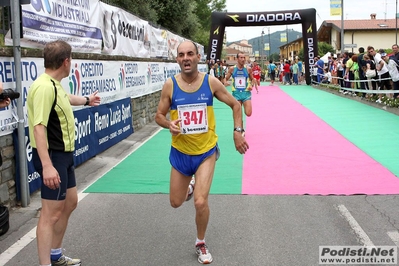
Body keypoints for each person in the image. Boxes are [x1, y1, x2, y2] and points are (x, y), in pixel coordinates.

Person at [154, 40, 249, 265]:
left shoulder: (210, 82)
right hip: (180, 152)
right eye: (181, 55)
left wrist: (237, 132)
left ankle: (200, 241)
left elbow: (236, 105)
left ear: (198, 57)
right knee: (176, 202)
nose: (185, 58)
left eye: (190, 54)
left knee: (200, 202)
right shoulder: (170, 85)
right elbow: (158, 115)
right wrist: (169, 124)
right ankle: (190, 187)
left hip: (206, 151)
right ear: (177, 59)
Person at [27, 40, 101, 266]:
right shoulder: (43, 87)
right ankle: (45, 263)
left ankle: (56, 255)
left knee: (69, 203)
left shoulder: (54, 84)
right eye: (72, 60)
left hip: (65, 155)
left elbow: (67, 99)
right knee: (51, 214)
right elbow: (38, 126)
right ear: (66, 62)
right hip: (53, 156)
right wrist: (47, 165)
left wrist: (88, 100)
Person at [224, 52, 254, 133]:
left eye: (244, 57)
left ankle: (241, 124)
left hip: (246, 93)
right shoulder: (232, 69)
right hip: (236, 94)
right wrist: (225, 82)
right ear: (237, 59)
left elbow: (252, 79)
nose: (243, 59)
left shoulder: (248, 69)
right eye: (241, 57)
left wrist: (251, 85)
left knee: (248, 113)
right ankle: (240, 128)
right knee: (238, 113)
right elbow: (225, 78)